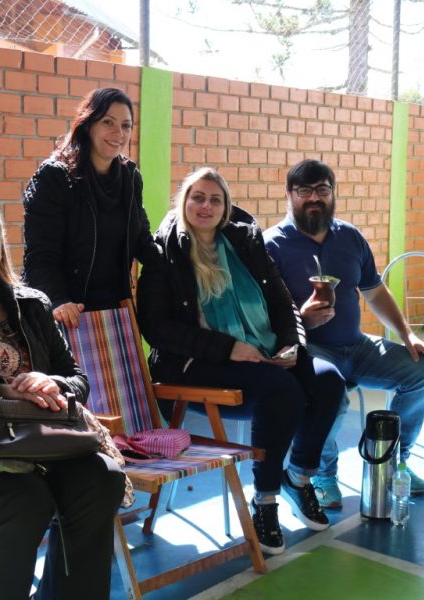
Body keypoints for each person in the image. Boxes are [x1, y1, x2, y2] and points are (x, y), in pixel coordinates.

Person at [136, 167, 345, 555]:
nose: (206, 206)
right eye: (198, 197)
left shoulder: (245, 242)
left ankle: (299, 477)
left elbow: (283, 303)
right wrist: (228, 348)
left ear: (226, 207)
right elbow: (157, 328)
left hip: (260, 350)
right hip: (192, 365)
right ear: (184, 202)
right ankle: (265, 500)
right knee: (281, 390)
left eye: (215, 200)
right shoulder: (164, 251)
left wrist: (291, 345)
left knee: (328, 380)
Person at [264, 159, 424, 508]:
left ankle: (394, 462)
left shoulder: (350, 237)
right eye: (304, 191)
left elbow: (374, 292)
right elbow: (265, 316)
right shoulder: (272, 245)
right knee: (331, 393)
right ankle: (322, 474)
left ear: (334, 193)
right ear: (289, 195)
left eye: (322, 190)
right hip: (309, 350)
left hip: (356, 346)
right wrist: (302, 319)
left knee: (423, 370)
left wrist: (407, 334)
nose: (314, 198)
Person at [0, 206, 125, 600]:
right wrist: (8, 390)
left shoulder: (31, 305)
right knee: (25, 499)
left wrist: (52, 382)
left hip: (42, 439)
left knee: (101, 478)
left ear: (0, 243)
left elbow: (78, 380)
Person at [22, 87, 156, 328]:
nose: (119, 133)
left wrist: (183, 259)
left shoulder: (130, 177)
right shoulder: (54, 176)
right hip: (64, 313)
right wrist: (58, 301)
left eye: (126, 125)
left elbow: (142, 240)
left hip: (114, 313)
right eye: (108, 122)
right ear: (88, 124)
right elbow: (39, 256)